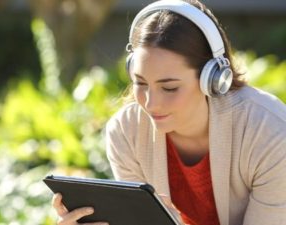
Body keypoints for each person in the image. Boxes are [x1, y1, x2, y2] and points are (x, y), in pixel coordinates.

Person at [51, 0, 286, 224]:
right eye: (141, 83)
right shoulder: (127, 132)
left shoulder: (270, 132)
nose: (151, 104)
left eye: (170, 88)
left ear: (213, 80)